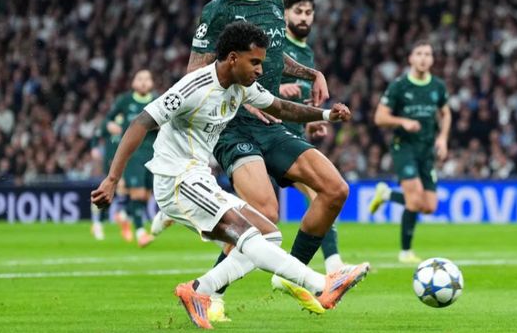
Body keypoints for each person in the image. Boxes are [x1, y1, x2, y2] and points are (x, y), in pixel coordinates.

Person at [90, 21, 369, 329]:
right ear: (233, 58)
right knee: (248, 236)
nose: (260, 70)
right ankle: (320, 285)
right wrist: (112, 179)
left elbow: (279, 107)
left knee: (269, 234)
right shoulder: (193, 87)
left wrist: (326, 114)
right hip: (177, 179)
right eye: (255, 62)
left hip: (199, 177)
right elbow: (141, 122)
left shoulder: (241, 86)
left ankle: (200, 289)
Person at [187, 0, 359, 319]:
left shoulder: (275, 3)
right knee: (264, 214)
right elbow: (194, 73)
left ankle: (292, 275)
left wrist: (311, 73)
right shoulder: (218, 10)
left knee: (335, 189)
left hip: (272, 123)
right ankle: (210, 293)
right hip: (232, 127)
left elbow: (277, 57)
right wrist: (241, 98)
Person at [275, 0, 345, 275]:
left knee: (323, 194)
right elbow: (249, 80)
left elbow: (301, 100)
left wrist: (311, 121)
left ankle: (332, 265)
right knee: (261, 217)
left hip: (293, 136)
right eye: (298, 12)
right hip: (266, 136)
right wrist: (277, 89)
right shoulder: (276, 43)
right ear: (285, 15)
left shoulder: (307, 53)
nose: (304, 17)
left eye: (308, 12)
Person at [370, 40, 451, 263]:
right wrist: (402, 122)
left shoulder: (438, 86)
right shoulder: (399, 86)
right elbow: (379, 117)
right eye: (419, 53)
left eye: (428, 54)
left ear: (432, 59)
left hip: (427, 149)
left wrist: (443, 138)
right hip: (404, 147)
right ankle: (405, 252)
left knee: (429, 206)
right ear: (411, 58)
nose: (424, 58)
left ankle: (387, 195)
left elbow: (446, 113)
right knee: (414, 201)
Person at [101, 69, 157, 247]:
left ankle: (123, 215)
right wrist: (111, 126)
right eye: (140, 79)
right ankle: (141, 233)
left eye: (147, 79)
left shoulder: (158, 100)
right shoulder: (125, 100)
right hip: (133, 154)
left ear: (152, 82)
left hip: (153, 154)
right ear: (133, 82)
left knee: (146, 195)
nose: (143, 82)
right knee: (137, 193)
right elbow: (107, 120)